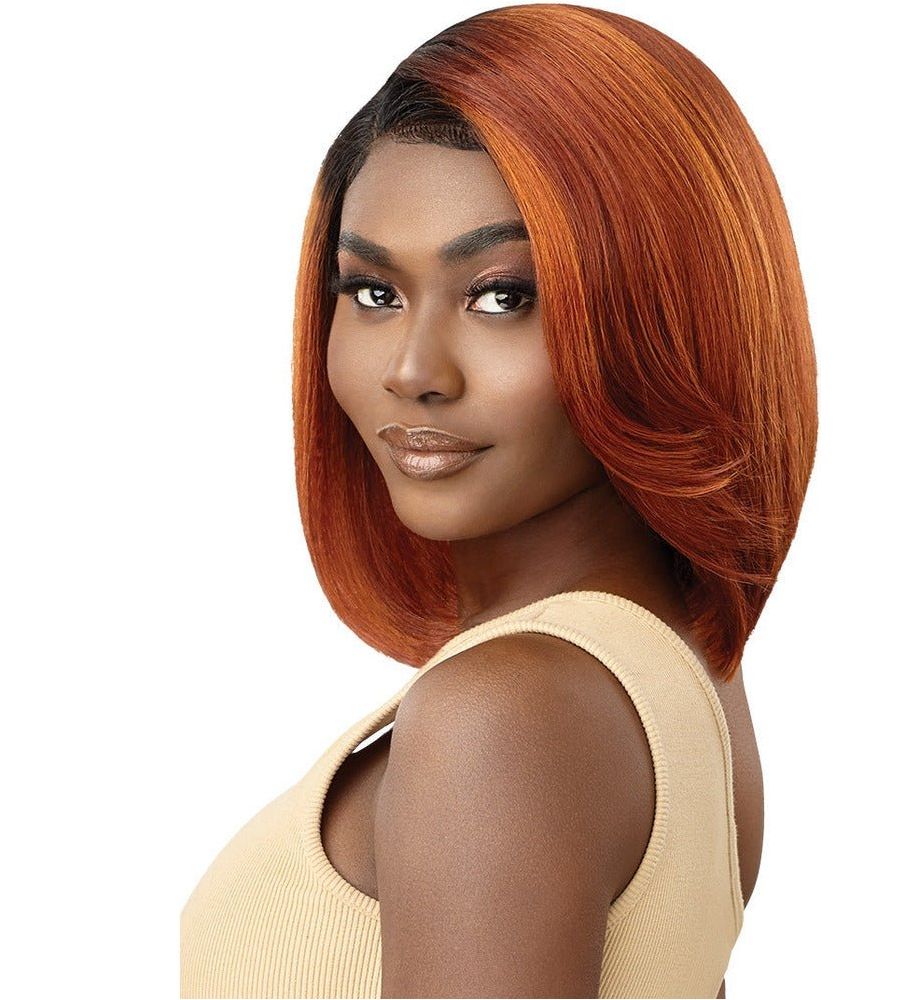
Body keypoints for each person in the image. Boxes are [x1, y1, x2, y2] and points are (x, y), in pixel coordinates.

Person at [181, 5, 817, 997]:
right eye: (373, 292)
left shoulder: (504, 713)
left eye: (501, 296)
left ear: (660, 314)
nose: (412, 372)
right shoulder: (684, 670)